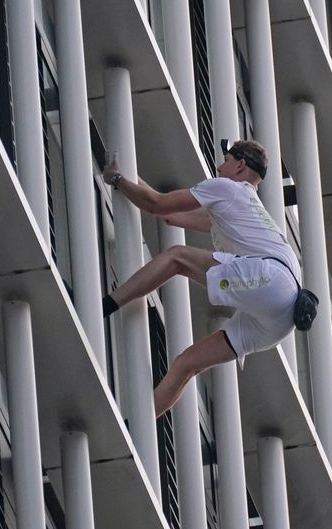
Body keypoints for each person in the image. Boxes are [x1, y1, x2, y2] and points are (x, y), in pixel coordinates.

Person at [101, 139, 301, 417]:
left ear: (240, 165)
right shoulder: (245, 207)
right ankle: (137, 426)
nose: (220, 166)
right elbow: (170, 215)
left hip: (271, 279)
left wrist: (117, 179)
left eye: (226, 159)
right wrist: (130, 176)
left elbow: (156, 204)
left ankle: (105, 306)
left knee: (177, 257)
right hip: (282, 318)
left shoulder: (225, 188)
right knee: (186, 364)